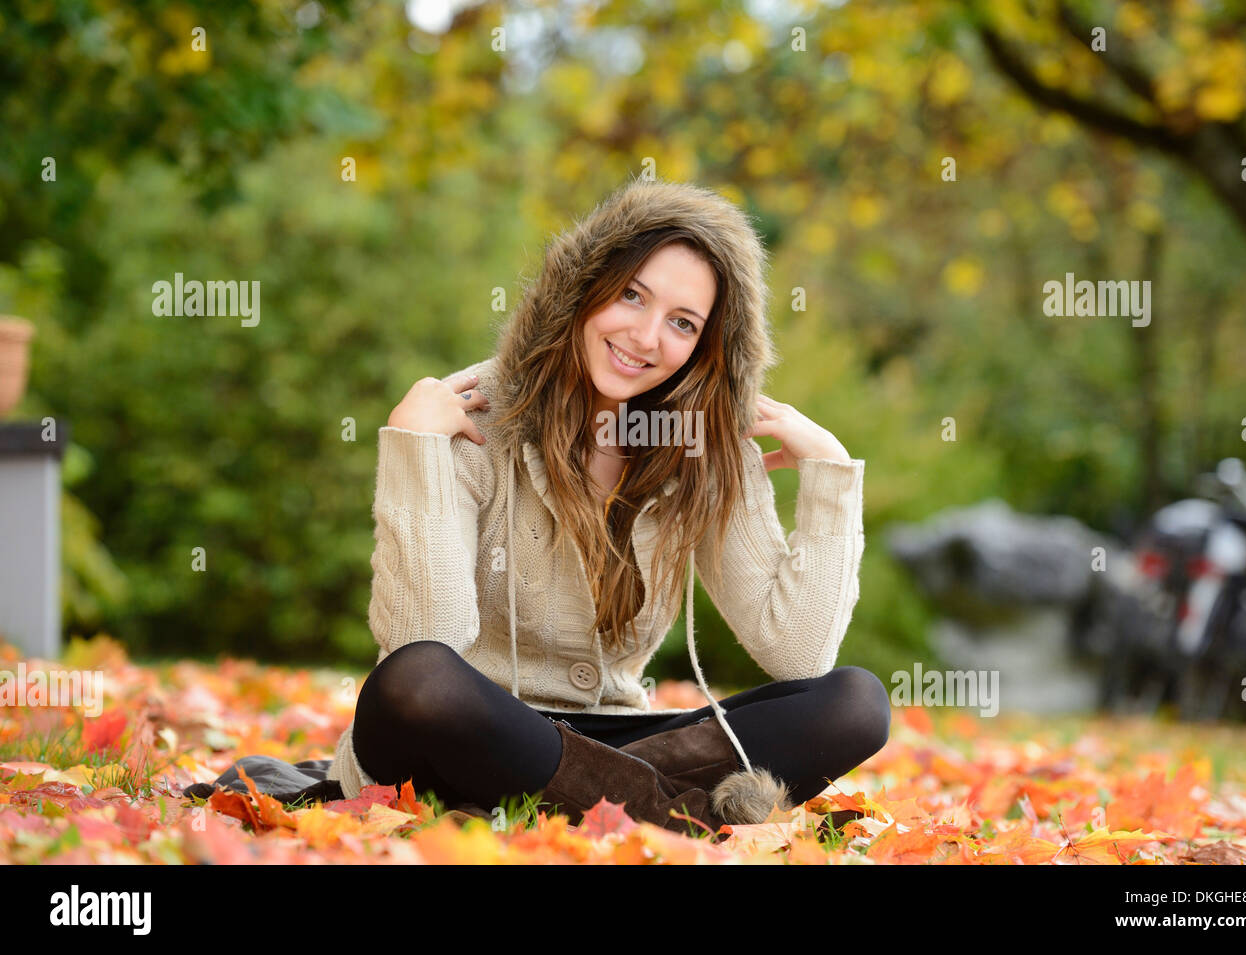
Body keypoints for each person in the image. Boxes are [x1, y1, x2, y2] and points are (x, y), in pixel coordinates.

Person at [187, 178, 890, 837]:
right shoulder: (479, 416)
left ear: (707, 346)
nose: (647, 338)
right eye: (632, 296)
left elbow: (796, 654)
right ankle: (665, 811)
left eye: (682, 322)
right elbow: (427, 636)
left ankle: (602, 801)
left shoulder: (703, 447)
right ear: (584, 289)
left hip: (615, 734)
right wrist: (416, 448)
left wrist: (830, 477)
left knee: (855, 701)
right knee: (416, 681)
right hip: (467, 726)